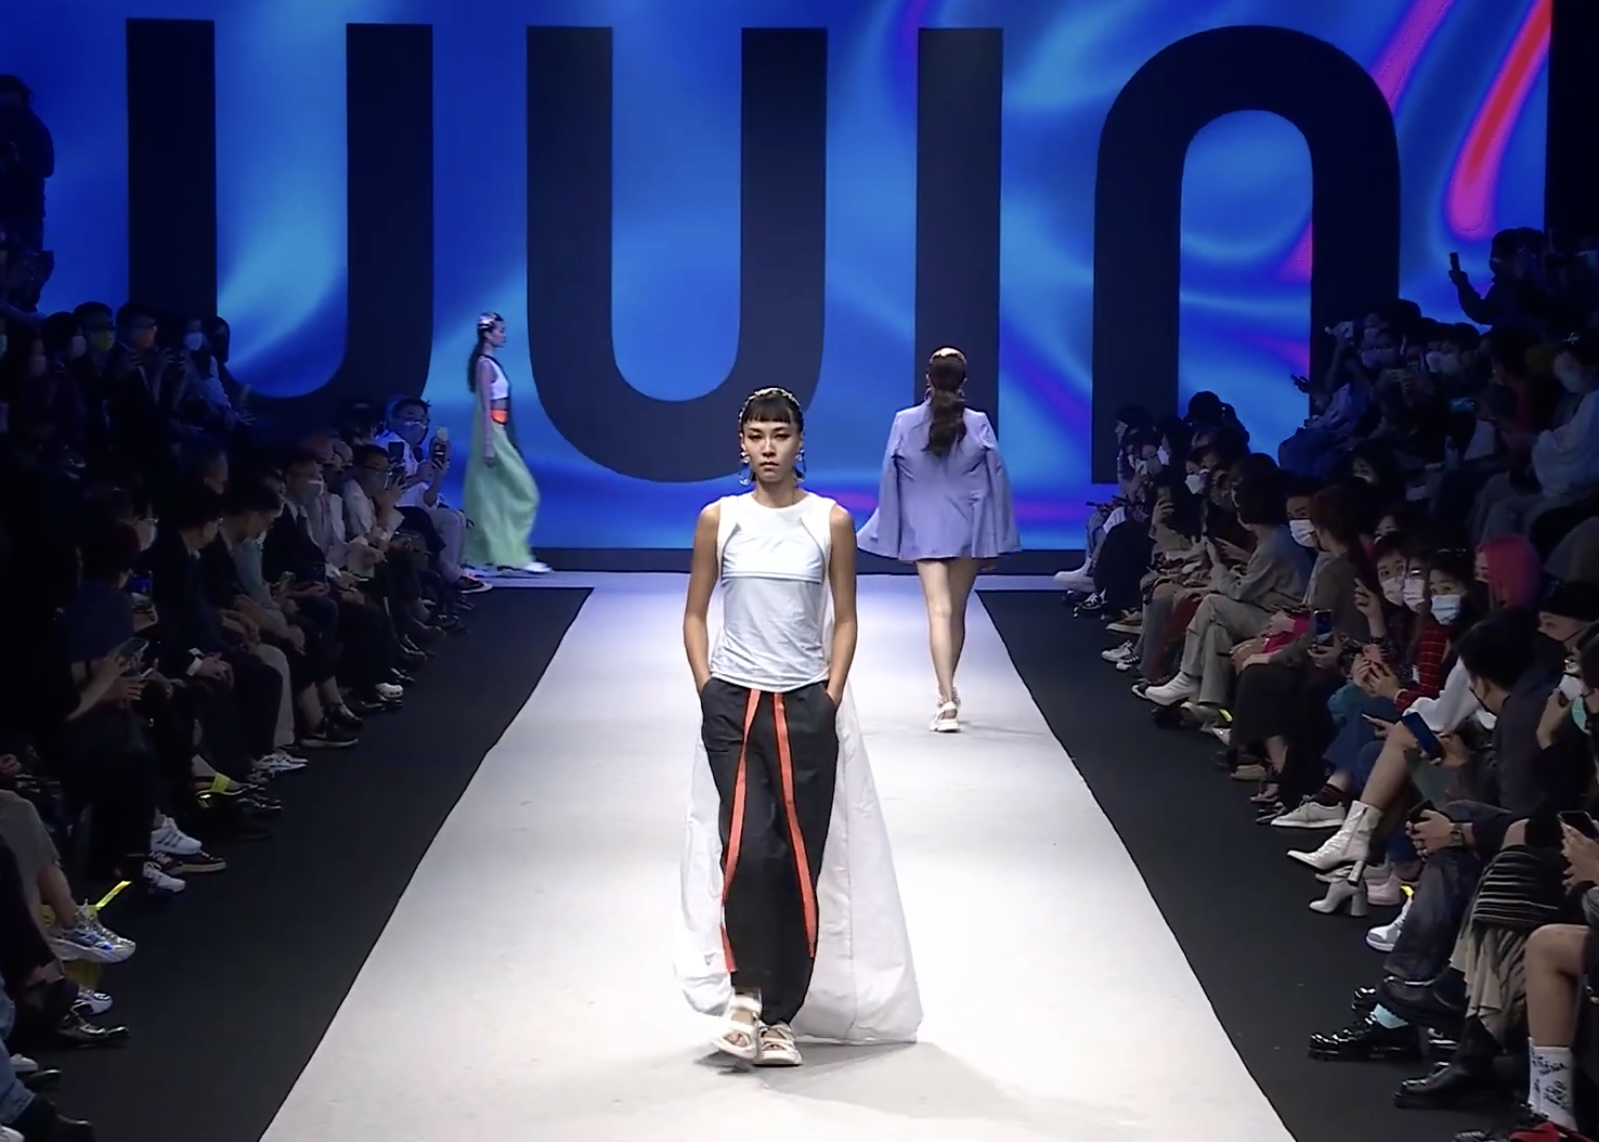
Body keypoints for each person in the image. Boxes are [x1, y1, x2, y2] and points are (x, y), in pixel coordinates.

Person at [674, 386, 921, 1067]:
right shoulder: (719, 519)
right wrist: (707, 687)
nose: (768, 448)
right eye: (756, 435)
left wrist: (829, 695)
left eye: (779, 435)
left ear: (799, 442)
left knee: (796, 862)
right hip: (735, 703)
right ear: (741, 444)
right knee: (746, 849)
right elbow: (694, 612)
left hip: (804, 704)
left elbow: (846, 617)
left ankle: (780, 1018)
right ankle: (745, 996)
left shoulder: (829, 521)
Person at [856, 347, 1019, 730]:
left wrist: (892, 531)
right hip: (968, 528)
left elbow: (889, 478)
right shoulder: (978, 423)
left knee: (939, 611)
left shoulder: (905, 421)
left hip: (922, 527)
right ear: (964, 380)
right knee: (954, 611)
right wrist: (994, 539)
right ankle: (947, 692)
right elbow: (996, 481)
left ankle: (946, 700)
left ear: (928, 379)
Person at [461, 313, 548, 575]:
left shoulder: (490, 364)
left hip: (500, 430)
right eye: (500, 331)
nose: (504, 335)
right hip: (493, 433)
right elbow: (484, 407)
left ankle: (504, 553)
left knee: (503, 493)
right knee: (520, 492)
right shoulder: (484, 365)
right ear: (488, 334)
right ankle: (501, 554)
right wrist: (488, 442)